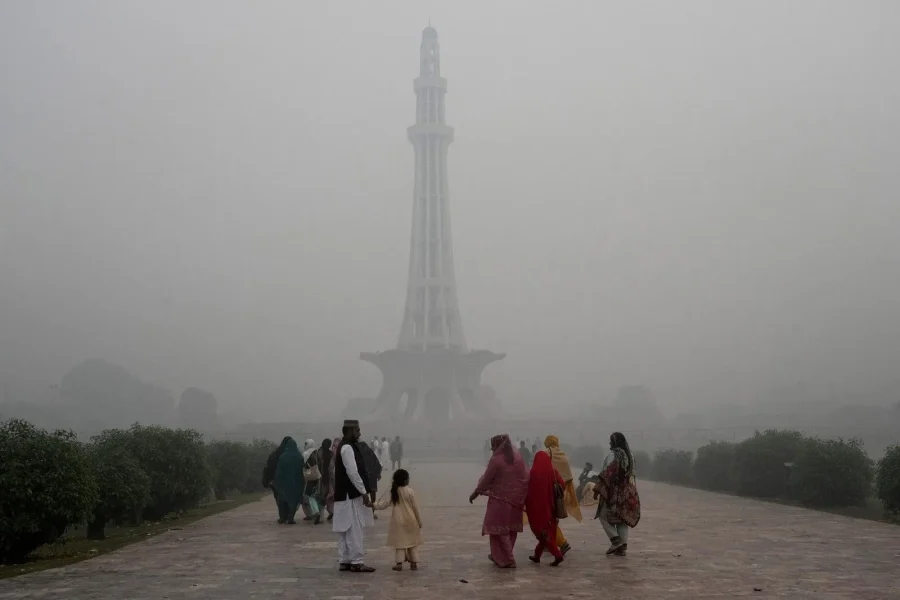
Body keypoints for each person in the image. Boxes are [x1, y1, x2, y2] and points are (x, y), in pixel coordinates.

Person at [469, 434, 529, 569]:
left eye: (493, 446)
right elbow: (525, 476)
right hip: (516, 501)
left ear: (498, 445)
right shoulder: (517, 457)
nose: (491, 449)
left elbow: (487, 480)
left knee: (499, 531)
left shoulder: (497, 460)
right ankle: (499, 556)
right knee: (511, 530)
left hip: (500, 501)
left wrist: (476, 493)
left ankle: (508, 559)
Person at [333, 419, 376, 572]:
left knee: (345, 528)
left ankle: (344, 560)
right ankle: (356, 561)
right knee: (354, 529)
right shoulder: (347, 448)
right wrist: (363, 492)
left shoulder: (344, 447)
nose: (359, 433)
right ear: (350, 431)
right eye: (357, 430)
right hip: (349, 495)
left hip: (343, 494)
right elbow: (352, 472)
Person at [593, 432, 641, 556]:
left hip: (613, 492)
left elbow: (606, 473)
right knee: (622, 519)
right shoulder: (630, 456)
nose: (609, 443)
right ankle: (622, 547)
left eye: (610, 441)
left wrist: (598, 489)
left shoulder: (613, 455)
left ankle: (616, 541)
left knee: (603, 516)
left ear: (614, 442)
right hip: (628, 492)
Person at [374, 469, 423, 571]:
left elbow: (385, 504)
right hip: (411, 519)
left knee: (400, 543)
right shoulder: (410, 491)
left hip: (398, 521)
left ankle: (399, 564)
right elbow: (415, 508)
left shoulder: (394, 491)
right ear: (405, 480)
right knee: (411, 542)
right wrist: (419, 521)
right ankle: (413, 563)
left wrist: (374, 505)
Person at [525, 450, 566, 566]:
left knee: (543, 533)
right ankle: (537, 555)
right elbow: (562, 485)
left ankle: (558, 555)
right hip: (551, 508)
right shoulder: (553, 471)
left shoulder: (532, 473)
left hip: (536, 509)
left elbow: (527, 491)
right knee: (547, 531)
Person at [543, 435, 583, 556]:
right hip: (561, 492)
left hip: (549, 491)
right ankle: (548, 543)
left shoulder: (545, 453)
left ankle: (561, 542)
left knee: (547, 519)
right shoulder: (563, 455)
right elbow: (568, 477)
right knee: (552, 518)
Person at [273, 438, 305, 525]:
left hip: (284, 482)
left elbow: (279, 471)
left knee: (283, 499)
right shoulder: (299, 457)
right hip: (296, 482)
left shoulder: (283, 457)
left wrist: (276, 481)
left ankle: (282, 518)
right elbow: (301, 471)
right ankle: (291, 517)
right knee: (294, 500)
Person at [262, 436, 291, 522]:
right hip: (286, 480)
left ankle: (282, 516)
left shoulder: (275, 454)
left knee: (279, 497)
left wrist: (268, 480)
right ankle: (287, 515)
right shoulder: (289, 455)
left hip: (275, 480)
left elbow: (269, 467)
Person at [358, 440, 383, 519]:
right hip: (372, 477)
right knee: (372, 494)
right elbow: (377, 463)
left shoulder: (359, 454)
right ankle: (371, 512)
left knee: (363, 494)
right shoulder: (370, 452)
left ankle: (363, 513)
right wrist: (378, 473)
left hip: (363, 477)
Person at [301, 439, 323, 525]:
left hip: (310, 477)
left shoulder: (305, 454)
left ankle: (315, 512)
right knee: (315, 495)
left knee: (309, 496)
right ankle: (316, 513)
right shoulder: (317, 453)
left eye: (306, 443)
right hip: (318, 477)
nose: (305, 445)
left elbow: (303, 466)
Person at [317, 438, 334, 521]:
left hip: (320, 478)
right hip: (329, 478)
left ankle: (320, 516)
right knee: (330, 496)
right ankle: (331, 512)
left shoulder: (319, 453)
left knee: (322, 496)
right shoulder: (331, 454)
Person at [325, 435, 341, 522]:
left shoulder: (343, 458)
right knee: (331, 498)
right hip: (332, 481)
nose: (334, 448)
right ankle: (332, 513)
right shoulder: (332, 459)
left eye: (337, 446)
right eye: (333, 446)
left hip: (340, 482)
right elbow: (330, 471)